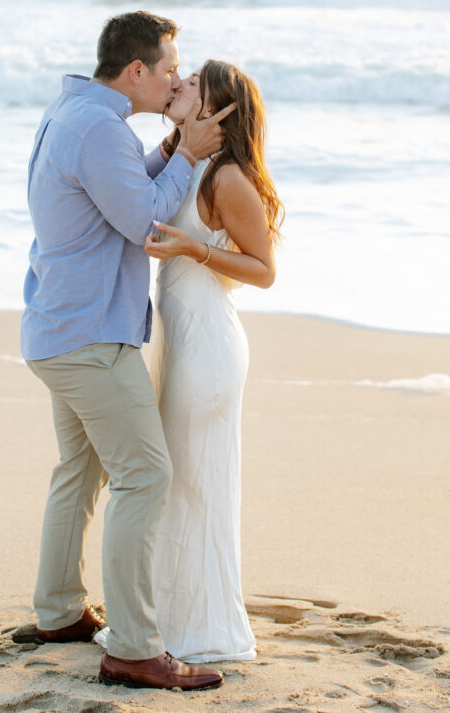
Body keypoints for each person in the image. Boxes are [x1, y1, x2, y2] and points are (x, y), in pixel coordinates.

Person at [20, 12, 235, 692]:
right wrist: (192, 154)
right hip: (89, 339)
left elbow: (123, 187)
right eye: (169, 68)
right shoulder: (97, 128)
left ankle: (57, 612)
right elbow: (143, 221)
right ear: (137, 71)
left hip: (60, 329)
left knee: (78, 473)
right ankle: (135, 649)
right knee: (144, 478)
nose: (176, 78)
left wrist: (173, 149)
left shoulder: (79, 114)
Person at [144, 59, 284, 663]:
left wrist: (194, 248)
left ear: (220, 110)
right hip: (178, 343)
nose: (180, 84)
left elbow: (265, 272)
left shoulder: (226, 179)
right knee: (178, 485)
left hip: (209, 351)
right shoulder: (181, 160)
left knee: (195, 486)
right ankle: (167, 622)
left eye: (195, 82)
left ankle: (200, 633)